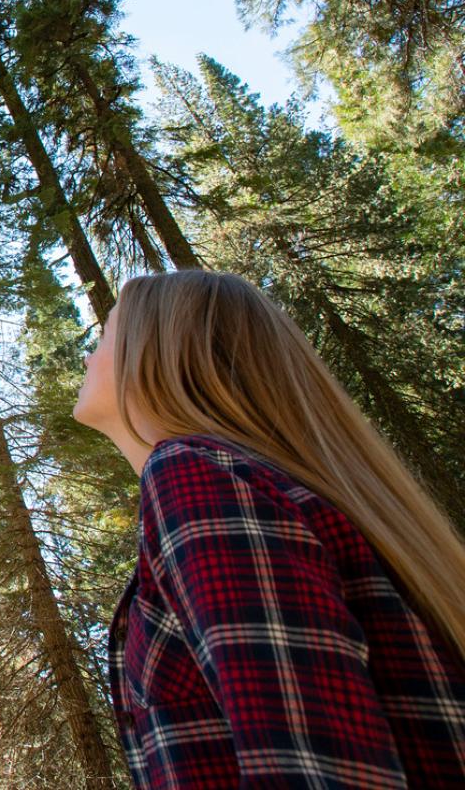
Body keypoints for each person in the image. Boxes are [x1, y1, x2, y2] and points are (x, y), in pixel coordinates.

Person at [73, 269, 465, 788]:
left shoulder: (197, 475)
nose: (87, 355)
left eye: (103, 337)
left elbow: (315, 770)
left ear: (157, 355)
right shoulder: (260, 486)